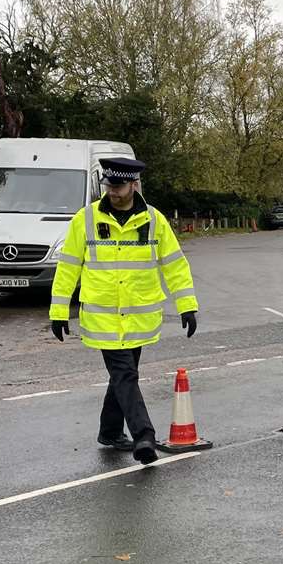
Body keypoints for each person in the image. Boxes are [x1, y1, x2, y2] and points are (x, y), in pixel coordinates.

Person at [49, 156, 199, 462]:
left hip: (139, 318)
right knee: (125, 374)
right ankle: (144, 435)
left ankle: (110, 431)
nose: (112, 191)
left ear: (134, 185)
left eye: (118, 186)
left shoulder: (154, 221)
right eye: (109, 185)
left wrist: (187, 306)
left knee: (123, 375)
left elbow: (174, 265)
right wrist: (59, 310)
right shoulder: (86, 219)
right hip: (103, 319)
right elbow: (68, 268)